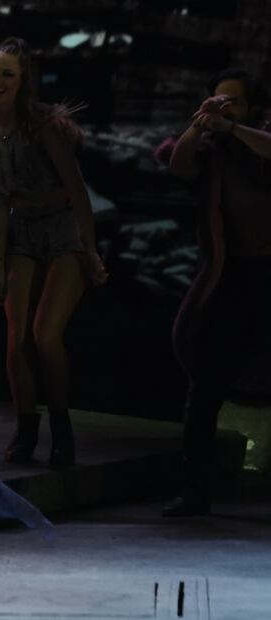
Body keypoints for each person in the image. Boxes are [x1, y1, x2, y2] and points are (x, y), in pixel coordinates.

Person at [0, 38, 106, 468]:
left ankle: (62, 431)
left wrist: (90, 249)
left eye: (8, 73)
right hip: (22, 234)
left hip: (63, 229)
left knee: (46, 335)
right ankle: (27, 429)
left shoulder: (43, 127)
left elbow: (76, 189)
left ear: (23, 80)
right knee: (16, 339)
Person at [163, 69, 271, 517]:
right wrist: (199, 124)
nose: (224, 109)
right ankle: (195, 492)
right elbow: (178, 164)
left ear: (252, 108)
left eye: (234, 102)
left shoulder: (257, 141)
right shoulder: (212, 152)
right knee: (205, 382)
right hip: (231, 277)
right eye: (217, 100)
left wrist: (232, 127)